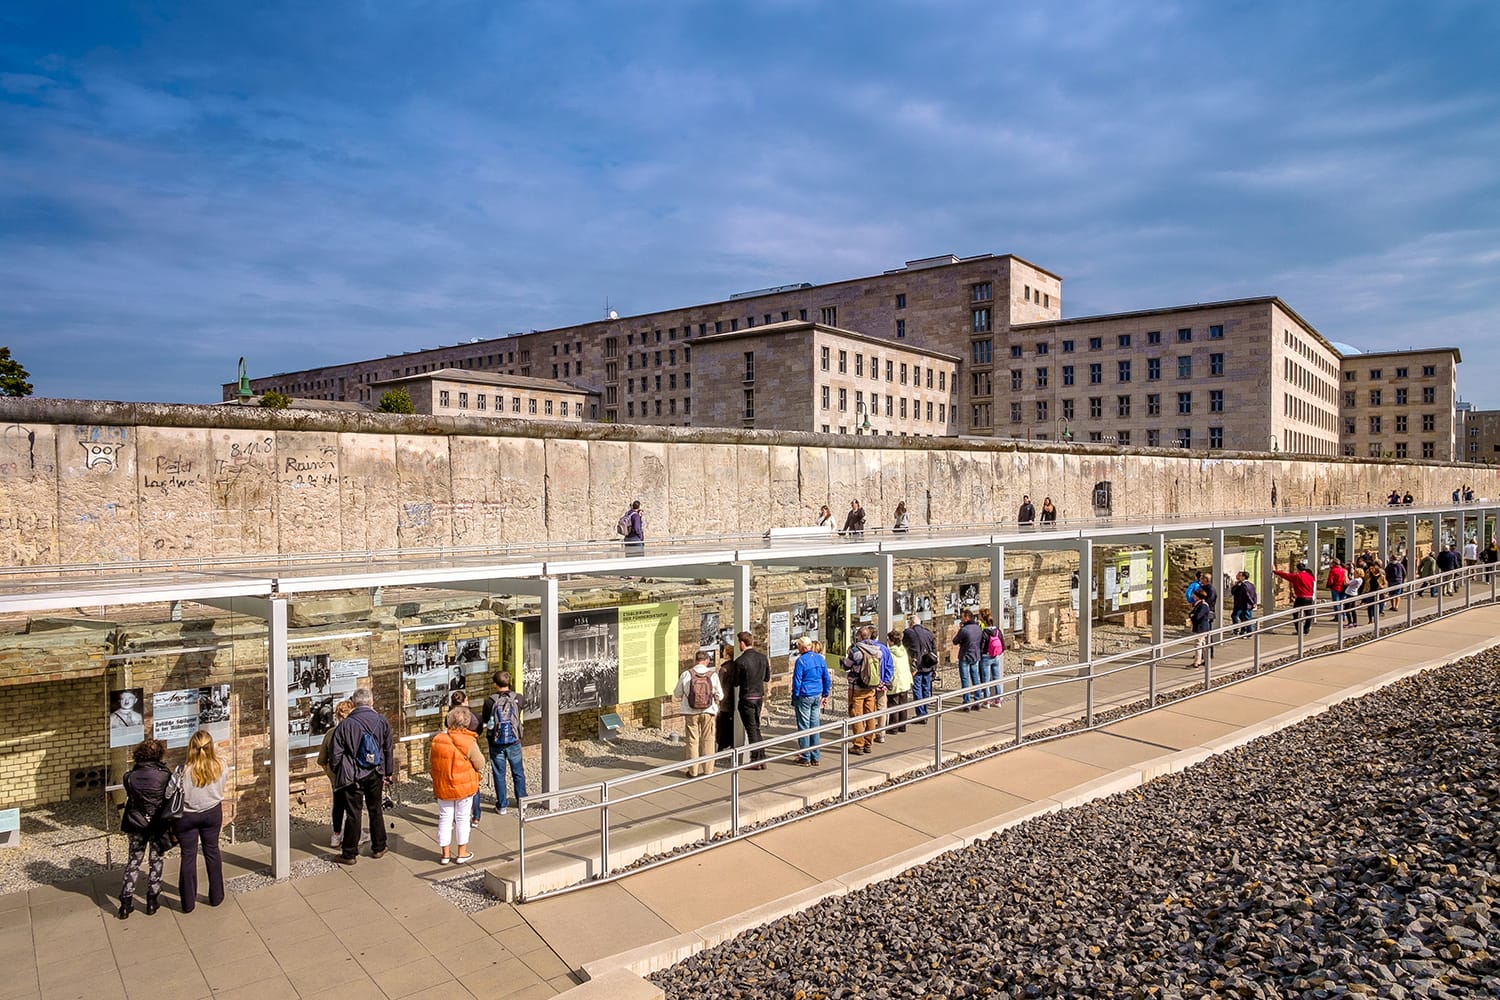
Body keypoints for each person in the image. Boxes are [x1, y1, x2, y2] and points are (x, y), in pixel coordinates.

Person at [327, 687, 395, 865]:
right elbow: (388, 748)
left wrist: (339, 770)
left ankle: (349, 854)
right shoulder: (382, 721)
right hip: (375, 772)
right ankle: (379, 847)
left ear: (353, 703)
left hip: (352, 775)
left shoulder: (345, 725)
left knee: (353, 813)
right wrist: (388, 772)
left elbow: (335, 755)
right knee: (375, 809)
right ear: (371, 702)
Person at [117, 739, 173, 919]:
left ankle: (125, 902)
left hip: (136, 823)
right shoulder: (164, 775)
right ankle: (152, 900)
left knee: (133, 861)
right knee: (156, 860)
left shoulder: (129, 777)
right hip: (157, 824)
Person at [174, 730, 227, 912]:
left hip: (187, 816)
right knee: (212, 851)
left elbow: (169, 793)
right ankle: (217, 896)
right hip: (212, 812)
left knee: (188, 856)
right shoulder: (221, 766)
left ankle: (188, 903)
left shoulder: (182, 771)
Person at [430, 706, 483, 865]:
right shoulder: (469, 741)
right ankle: (462, 852)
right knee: (463, 818)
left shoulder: (437, 740)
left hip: (443, 785)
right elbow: (480, 763)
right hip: (464, 787)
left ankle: (445, 855)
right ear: (467, 722)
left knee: (445, 818)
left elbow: (431, 763)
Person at [479, 671, 526, 816]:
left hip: (496, 743)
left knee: (499, 774)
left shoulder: (490, 701)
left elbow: (486, 720)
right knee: (518, 772)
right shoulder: (518, 698)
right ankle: (522, 801)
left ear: (495, 684)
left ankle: (502, 806)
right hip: (514, 741)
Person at [674, 651, 724, 777]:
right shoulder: (712, 675)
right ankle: (708, 770)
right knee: (708, 740)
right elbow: (720, 695)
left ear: (695, 660)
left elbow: (677, 693)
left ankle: (693, 771)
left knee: (692, 741)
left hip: (690, 712)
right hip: (708, 712)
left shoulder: (686, 674)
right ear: (707, 661)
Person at [317, 700, 357, 847]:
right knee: (353, 808)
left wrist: (331, 775)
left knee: (338, 805)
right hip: (353, 777)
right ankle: (354, 836)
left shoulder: (330, 733)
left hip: (337, 778)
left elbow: (322, 760)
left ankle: (336, 834)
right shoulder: (355, 731)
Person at [840, 627, 884, 754]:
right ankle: (868, 743)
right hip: (871, 687)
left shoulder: (855, 651)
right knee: (870, 715)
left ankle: (858, 744)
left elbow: (846, 665)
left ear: (859, 636)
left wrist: (843, 662)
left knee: (857, 715)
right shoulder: (878, 651)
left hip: (857, 687)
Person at [789, 636, 831, 766]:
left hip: (804, 694)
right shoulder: (820, 658)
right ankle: (815, 756)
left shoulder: (801, 660)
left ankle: (805, 756)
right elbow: (826, 677)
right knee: (815, 725)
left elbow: (797, 681)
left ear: (802, 647)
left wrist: (794, 696)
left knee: (804, 726)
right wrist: (825, 693)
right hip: (817, 694)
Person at [444, 691, 483, 827]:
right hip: (470, 748)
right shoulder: (475, 717)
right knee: (474, 785)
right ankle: (476, 816)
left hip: (454, 752)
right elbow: (479, 730)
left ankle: (457, 816)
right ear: (466, 700)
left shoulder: (449, 716)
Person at [733, 632, 771, 768]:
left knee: (751, 729)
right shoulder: (762, 658)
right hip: (758, 697)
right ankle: (761, 758)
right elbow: (767, 677)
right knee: (756, 727)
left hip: (747, 698)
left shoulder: (740, 661)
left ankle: (756, 760)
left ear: (742, 643)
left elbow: (735, 682)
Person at [902, 613, 938, 722]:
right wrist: (934, 667)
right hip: (928, 664)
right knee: (926, 689)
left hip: (916, 665)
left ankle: (920, 713)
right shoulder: (928, 633)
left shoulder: (909, 633)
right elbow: (934, 649)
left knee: (917, 689)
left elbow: (904, 646)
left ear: (911, 623)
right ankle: (924, 712)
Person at [951, 609, 984, 710]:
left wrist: (960, 630)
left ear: (967, 617)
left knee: (965, 679)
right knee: (975, 678)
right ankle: (977, 700)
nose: (961, 619)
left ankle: (967, 702)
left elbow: (955, 641)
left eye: (962, 617)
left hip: (965, 656)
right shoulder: (978, 628)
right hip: (975, 655)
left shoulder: (964, 630)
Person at [1272, 561, 1317, 635]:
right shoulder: (1311, 577)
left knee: (1296, 614)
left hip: (1300, 597)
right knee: (1308, 614)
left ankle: (1299, 630)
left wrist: (1275, 571)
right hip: (1309, 598)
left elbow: (1285, 575)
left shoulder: (1297, 576)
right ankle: (1306, 629)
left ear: (1297, 569)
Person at [886, 628, 912, 734]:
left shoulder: (890, 653)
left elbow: (890, 668)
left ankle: (893, 728)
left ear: (892, 641)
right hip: (905, 680)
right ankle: (902, 726)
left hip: (896, 681)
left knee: (893, 705)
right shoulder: (903, 650)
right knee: (903, 704)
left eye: (888, 639)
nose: (887, 641)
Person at [977, 607, 1003, 707]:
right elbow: (1003, 645)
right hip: (996, 657)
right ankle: (998, 700)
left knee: (986, 680)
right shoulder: (998, 631)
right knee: (997, 679)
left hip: (986, 657)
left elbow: (982, 647)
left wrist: (981, 654)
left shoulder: (985, 632)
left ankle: (987, 701)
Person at [1189, 589, 1213, 667]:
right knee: (1203, 644)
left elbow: (1198, 616)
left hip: (1201, 627)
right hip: (1201, 627)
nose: (1193, 596)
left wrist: (1192, 617)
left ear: (1198, 596)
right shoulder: (1199, 604)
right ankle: (1206, 660)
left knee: (1198, 644)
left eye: (1194, 595)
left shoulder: (1203, 605)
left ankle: (1197, 662)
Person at [1341, 561, 1363, 627]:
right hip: (1354, 594)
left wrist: (1345, 575)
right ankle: (1355, 622)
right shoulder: (1359, 579)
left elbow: (1346, 583)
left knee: (1347, 609)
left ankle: (1350, 622)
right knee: (1353, 609)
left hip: (1350, 594)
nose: (1354, 573)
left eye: (1355, 573)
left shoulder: (1356, 580)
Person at [1325, 559, 1347, 624]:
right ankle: (1344, 616)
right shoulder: (1344, 570)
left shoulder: (1333, 570)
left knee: (1336, 602)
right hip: (1343, 588)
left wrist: (1329, 585)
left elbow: (1330, 580)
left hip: (1336, 587)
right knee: (1343, 602)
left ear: (1334, 563)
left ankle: (1337, 616)